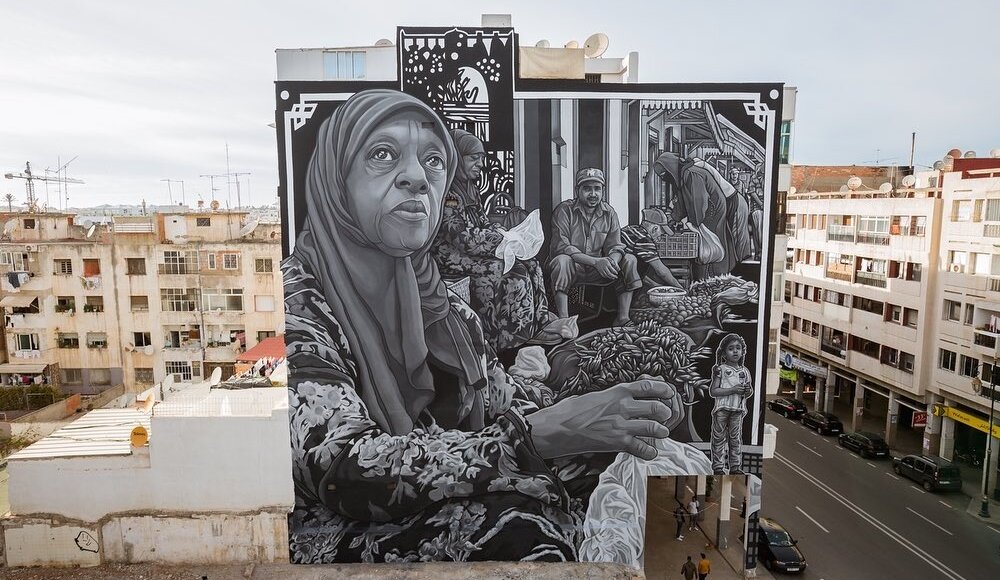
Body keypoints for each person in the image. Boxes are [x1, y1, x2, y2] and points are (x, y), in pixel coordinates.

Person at [284, 89, 683, 563]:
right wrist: (528, 439)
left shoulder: (438, 303)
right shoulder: (298, 306)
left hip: (456, 472)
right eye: (383, 155)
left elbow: (500, 396)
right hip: (345, 527)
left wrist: (615, 410)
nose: (416, 178)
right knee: (522, 531)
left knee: (605, 461)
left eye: (434, 161)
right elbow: (340, 468)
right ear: (336, 178)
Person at [431, 128, 563, 351]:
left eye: (482, 158)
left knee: (531, 264)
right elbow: (461, 237)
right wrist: (498, 238)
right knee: (509, 272)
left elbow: (480, 222)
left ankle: (537, 322)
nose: (480, 163)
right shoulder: (447, 192)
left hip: (474, 250)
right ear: (456, 157)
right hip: (452, 256)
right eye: (474, 158)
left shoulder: (470, 188)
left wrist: (499, 229)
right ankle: (506, 337)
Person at [549, 168, 643, 326]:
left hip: (597, 271)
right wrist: (596, 262)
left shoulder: (609, 213)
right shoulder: (564, 210)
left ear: (603, 191)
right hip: (574, 268)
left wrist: (611, 262)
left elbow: (615, 245)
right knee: (562, 261)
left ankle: (622, 318)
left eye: (597, 189)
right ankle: (564, 322)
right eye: (587, 188)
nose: (593, 194)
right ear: (577, 190)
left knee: (629, 259)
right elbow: (562, 246)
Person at [651, 152, 752, 280]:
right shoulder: (681, 178)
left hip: (713, 211)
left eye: (664, 173)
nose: (664, 178)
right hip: (710, 211)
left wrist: (697, 224)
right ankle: (706, 277)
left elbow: (700, 203)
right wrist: (673, 218)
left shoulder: (692, 174)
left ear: (670, 167)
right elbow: (682, 204)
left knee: (711, 245)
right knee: (707, 245)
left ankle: (713, 278)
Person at [709, 333, 753, 475]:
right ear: (723, 353)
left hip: (738, 410)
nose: (735, 351)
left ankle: (735, 466)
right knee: (719, 438)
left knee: (735, 439)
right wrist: (732, 390)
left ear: (742, 351)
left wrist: (747, 391)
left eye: (738, 348)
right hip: (722, 409)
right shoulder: (720, 370)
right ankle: (718, 466)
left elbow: (749, 392)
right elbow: (714, 391)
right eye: (731, 348)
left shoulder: (744, 371)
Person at [621, 208, 685, 289]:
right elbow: (662, 272)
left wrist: (656, 286)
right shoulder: (644, 239)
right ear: (655, 229)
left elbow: (638, 272)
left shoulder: (633, 229)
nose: (660, 238)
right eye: (661, 234)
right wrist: (680, 288)